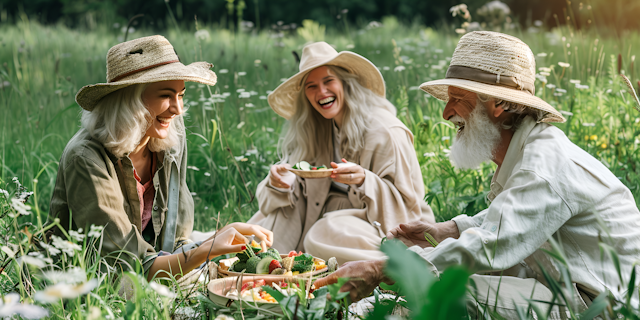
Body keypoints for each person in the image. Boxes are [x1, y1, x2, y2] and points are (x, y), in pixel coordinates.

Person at [315, 31, 640, 318]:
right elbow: (509, 218)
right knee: (437, 281)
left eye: (457, 98)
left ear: (498, 103)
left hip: (603, 305)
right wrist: (448, 230)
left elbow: (494, 243)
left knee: (446, 292)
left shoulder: (546, 166)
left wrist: (380, 269)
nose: (446, 112)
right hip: (565, 284)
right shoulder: (529, 151)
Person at [48, 35, 273, 280]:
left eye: (181, 95)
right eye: (166, 95)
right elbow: (124, 265)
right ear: (130, 100)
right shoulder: (86, 157)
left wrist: (220, 236)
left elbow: (174, 244)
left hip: (149, 273)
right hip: (88, 282)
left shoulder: (169, 138)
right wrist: (206, 248)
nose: (177, 109)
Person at [247, 42, 434, 263]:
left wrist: (365, 180)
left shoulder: (385, 131)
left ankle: (406, 266)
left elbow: (406, 209)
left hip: (378, 225)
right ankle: (262, 263)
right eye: (312, 86)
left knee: (323, 232)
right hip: (324, 214)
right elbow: (288, 195)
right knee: (258, 232)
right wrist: (280, 182)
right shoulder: (317, 128)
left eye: (328, 81)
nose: (322, 92)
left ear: (345, 84)